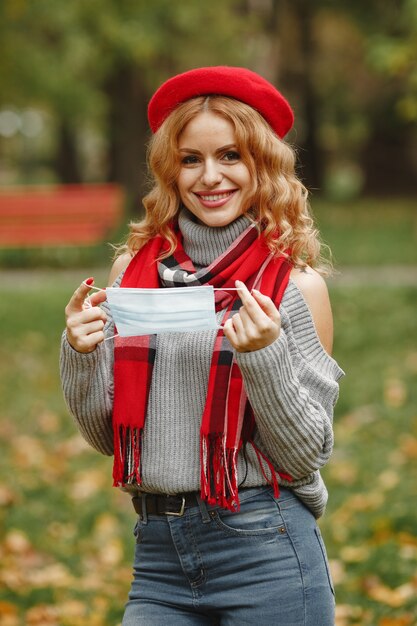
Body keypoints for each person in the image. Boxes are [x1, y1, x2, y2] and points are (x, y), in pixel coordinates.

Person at [60, 66, 344, 625]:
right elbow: (107, 438)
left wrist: (264, 355)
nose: (210, 176)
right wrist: (83, 354)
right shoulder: (132, 275)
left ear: (263, 164)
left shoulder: (295, 287)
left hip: (265, 547)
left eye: (231, 156)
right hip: (159, 555)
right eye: (191, 159)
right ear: (171, 169)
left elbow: (306, 453)